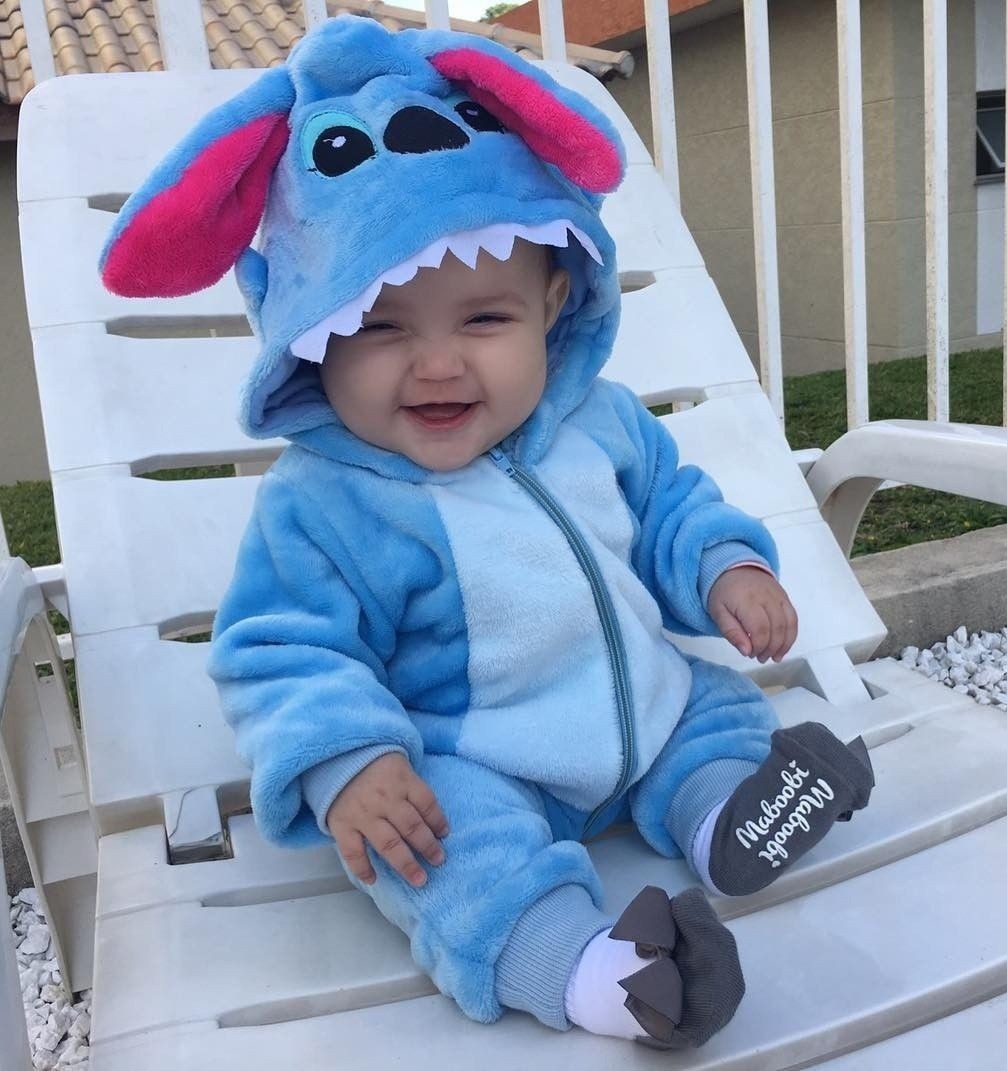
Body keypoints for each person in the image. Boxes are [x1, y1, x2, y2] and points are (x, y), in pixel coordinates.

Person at [99, 15, 874, 1050]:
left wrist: (725, 566)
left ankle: (727, 815)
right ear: (307, 343)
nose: (437, 364)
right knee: (434, 846)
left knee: (711, 710)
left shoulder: (599, 422)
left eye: (484, 319)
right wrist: (349, 764)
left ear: (554, 303)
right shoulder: (325, 503)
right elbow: (283, 650)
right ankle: (598, 973)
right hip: (479, 760)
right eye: (378, 327)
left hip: (644, 713)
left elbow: (672, 508)